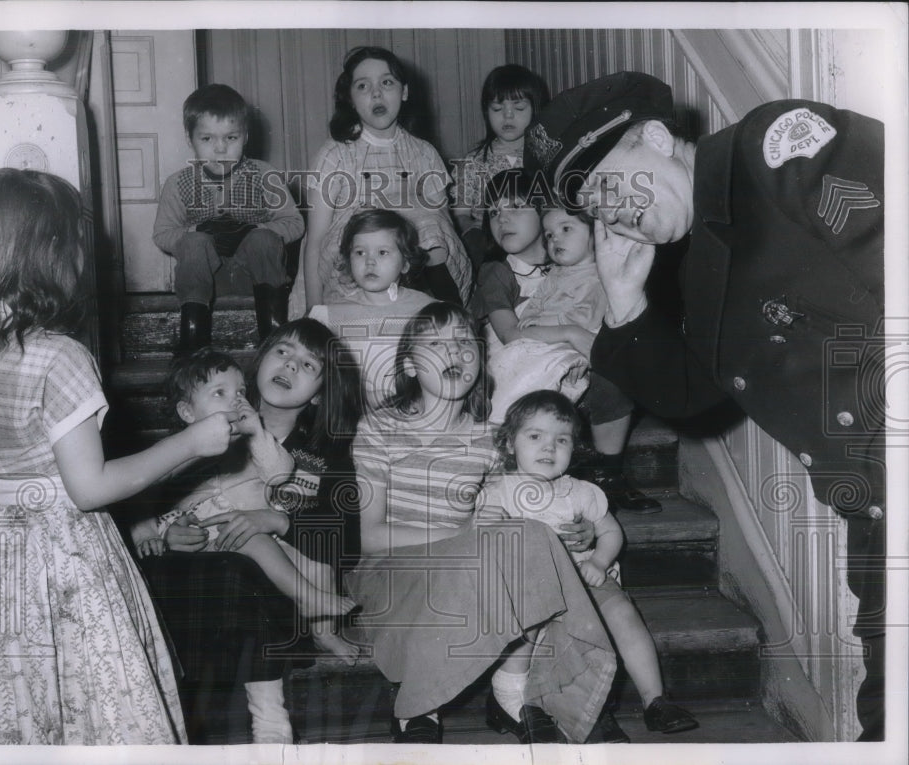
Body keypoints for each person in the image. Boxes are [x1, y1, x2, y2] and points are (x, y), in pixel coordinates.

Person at [524, 70, 885, 740]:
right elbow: (690, 398)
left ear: (657, 139)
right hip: (874, 504)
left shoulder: (774, 152)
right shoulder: (695, 265)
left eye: (609, 185)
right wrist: (624, 305)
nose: (610, 214)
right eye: (594, 207)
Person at [0, 168, 243, 745]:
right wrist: (190, 443)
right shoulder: (58, 356)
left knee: (12, 709)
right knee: (94, 708)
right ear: (51, 255)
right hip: (58, 560)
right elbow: (89, 487)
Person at [345, 301, 618, 745]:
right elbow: (370, 537)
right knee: (474, 558)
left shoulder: (487, 440)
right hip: (390, 571)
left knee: (529, 537)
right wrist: (465, 534)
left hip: (464, 567)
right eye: (436, 344)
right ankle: (420, 706)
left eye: (464, 343)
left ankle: (513, 689)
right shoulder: (379, 428)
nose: (454, 352)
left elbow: (517, 509)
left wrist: (584, 528)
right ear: (410, 365)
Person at [131, 318, 363, 744]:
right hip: (209, 581)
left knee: (302, 559)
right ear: (261, 358)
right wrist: (167, 535)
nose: (290, 365)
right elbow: (154, 498)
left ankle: (316, 641)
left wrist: (278, 521)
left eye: (308, 364)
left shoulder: (323, 453)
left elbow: (343, 543)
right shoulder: (211, 419)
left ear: (319, 393)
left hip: (280, 592)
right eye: (283, 351)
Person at [480, 390, 698, 741]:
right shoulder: (499, 493)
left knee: (623, 613)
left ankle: (655, 700)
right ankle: (511, 695)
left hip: (583, 577)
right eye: (535, 436)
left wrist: (599, 560)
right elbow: (483, 540)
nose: (549, 448)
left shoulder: (581, 492)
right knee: (525, 625)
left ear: (574, 448)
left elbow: (611, 531)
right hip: (529, 587)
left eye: (561, 440)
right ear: (509, 443)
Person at [131, 348, 356, 620]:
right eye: (220, 393)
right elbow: (142, 492)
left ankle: (324, 631)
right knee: (256, 543)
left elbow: (279, 473)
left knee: (319, 568)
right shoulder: (178, 448)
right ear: (187, 412)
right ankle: (307, 599)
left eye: (240, 392)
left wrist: (256, 431)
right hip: (201, 529)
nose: (235, 401)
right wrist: (150, 534)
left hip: (247, 530)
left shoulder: (252, 443)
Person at [289, 46, 471, 317]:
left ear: (404, 92)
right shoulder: (334, 155)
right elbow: (315, 242)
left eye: (386, 83)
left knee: (428, 220)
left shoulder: (424, 154)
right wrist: (314, 312)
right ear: (350, 99)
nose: (376, 93)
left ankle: (449, 317)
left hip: (412, 273)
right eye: (363, 86)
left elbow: (443, 232)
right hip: (350, 274)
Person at [153, 83, 305, 354]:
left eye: (231, 138)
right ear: (189, 139)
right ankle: (193, 343)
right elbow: (162, 233)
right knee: (195, 242)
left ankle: (274, 338)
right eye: (207, 139)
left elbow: (295, 223)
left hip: (256, 277)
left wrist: (255, 228)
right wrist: (197, 230)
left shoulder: (264, 175)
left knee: (262, 239)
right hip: (205, 282)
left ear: (245, 137)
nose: (220, 149)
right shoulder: (178, 183)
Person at [535, 205, 661, 513]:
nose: (554, 239)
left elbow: (593, 326)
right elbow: (527, 323)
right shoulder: (551, 278)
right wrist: (556, 329)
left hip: (587, 365)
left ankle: (609, 474)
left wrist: (551, 329)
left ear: (595, 234)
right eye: (549, 234)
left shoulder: (605, 277)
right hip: (544, 361)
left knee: (612, 383)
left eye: (566, 229)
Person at [469, 168, 590, 422]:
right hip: (512, 368)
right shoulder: (497, 273)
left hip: (568, 359)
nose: (502, 219)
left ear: (544, 210)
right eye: (494, 212)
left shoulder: (568, 264)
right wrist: (571, 334)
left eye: (515, 206)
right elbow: (510, 336)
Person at [309, 208, 451, 411]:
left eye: (382, 252)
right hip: (353, 413)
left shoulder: (428, 310)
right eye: (360, 252)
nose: (369, 261)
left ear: (405, 263)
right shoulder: (330, 316)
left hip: (416, 413)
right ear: (348, 260)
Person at [451, 64, 550, 273]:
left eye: (519, 108)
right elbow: (460, 214)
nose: (507, 116)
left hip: (536, 239)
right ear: (486, 112)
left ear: (535, 109)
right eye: (497, 109)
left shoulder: (545, 156)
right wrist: (473, 229)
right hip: (492, 241)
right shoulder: (473, 162)